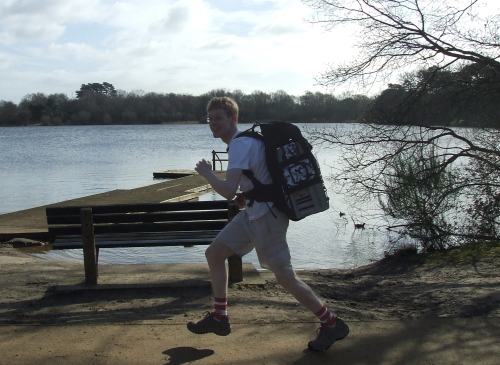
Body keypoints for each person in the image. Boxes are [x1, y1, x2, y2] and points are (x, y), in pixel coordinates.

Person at [187, 96, 349, 351]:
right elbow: (258, 180)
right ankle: (220, 317)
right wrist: (247, 195)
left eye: (218, 118)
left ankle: (332, 323)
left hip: (267, 219)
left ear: (233, 118)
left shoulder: (240, 145)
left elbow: (228, 191)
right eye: (210, 119)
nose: (213, 123)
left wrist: (208, 174)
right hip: (253, 214)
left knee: (285, 278)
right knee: (215, 254)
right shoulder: (247, 142)